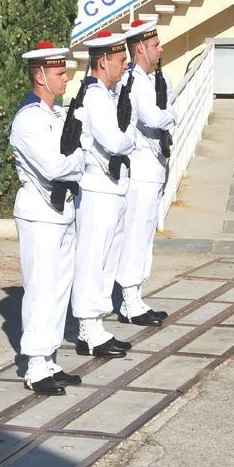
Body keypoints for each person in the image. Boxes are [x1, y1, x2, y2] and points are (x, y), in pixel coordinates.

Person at [11, 41, 87, 395]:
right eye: (59, 73)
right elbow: (57, 165)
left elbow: (75, 158)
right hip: (40, 213)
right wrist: (77, 163)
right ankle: (35, 364)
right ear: (40, 76)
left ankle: (50, 356)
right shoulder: (29, 119)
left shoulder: (57, 115)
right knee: (41, 288)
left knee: (59, 288)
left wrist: (76, 162)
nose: (66, 77)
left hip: (62, 209)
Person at [70, 30, 137, 358]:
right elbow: (114, 141)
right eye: (120, 60)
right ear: (103, 61)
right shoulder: (95, 97)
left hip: (113, 187)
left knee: (107, 258)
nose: (125, 65)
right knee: (93, 259)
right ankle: (86, 327)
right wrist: (132, 135)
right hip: (97, 189)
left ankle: (97, 325)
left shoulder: (109, 95)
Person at [115, 19, 176, 325]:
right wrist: (171, 112)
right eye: (154, 45)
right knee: (136, 235)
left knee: (146, 234)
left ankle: (136, 296)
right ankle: (129, 300)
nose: (160, 49)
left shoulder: (149, 80)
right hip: (140, 170)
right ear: (140, 49)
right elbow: (154, 117)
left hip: (153, 169)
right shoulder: (135, 82)